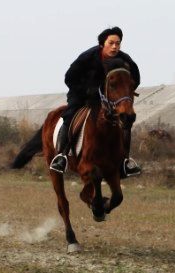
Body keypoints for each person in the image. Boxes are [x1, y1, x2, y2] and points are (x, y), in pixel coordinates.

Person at [50, 26, 141, 177]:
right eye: (111, 43)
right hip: (82, 94)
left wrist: (124, 94)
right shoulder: (88, 57)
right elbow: (69, 77)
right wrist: (86, 91)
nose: (114, 46)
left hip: (110, 98)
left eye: (118, 43)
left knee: (126, 119)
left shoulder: (125, 59)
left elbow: (136, 78)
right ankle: (61, 156)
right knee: (70, 114)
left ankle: (125, 162)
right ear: (102, 44)